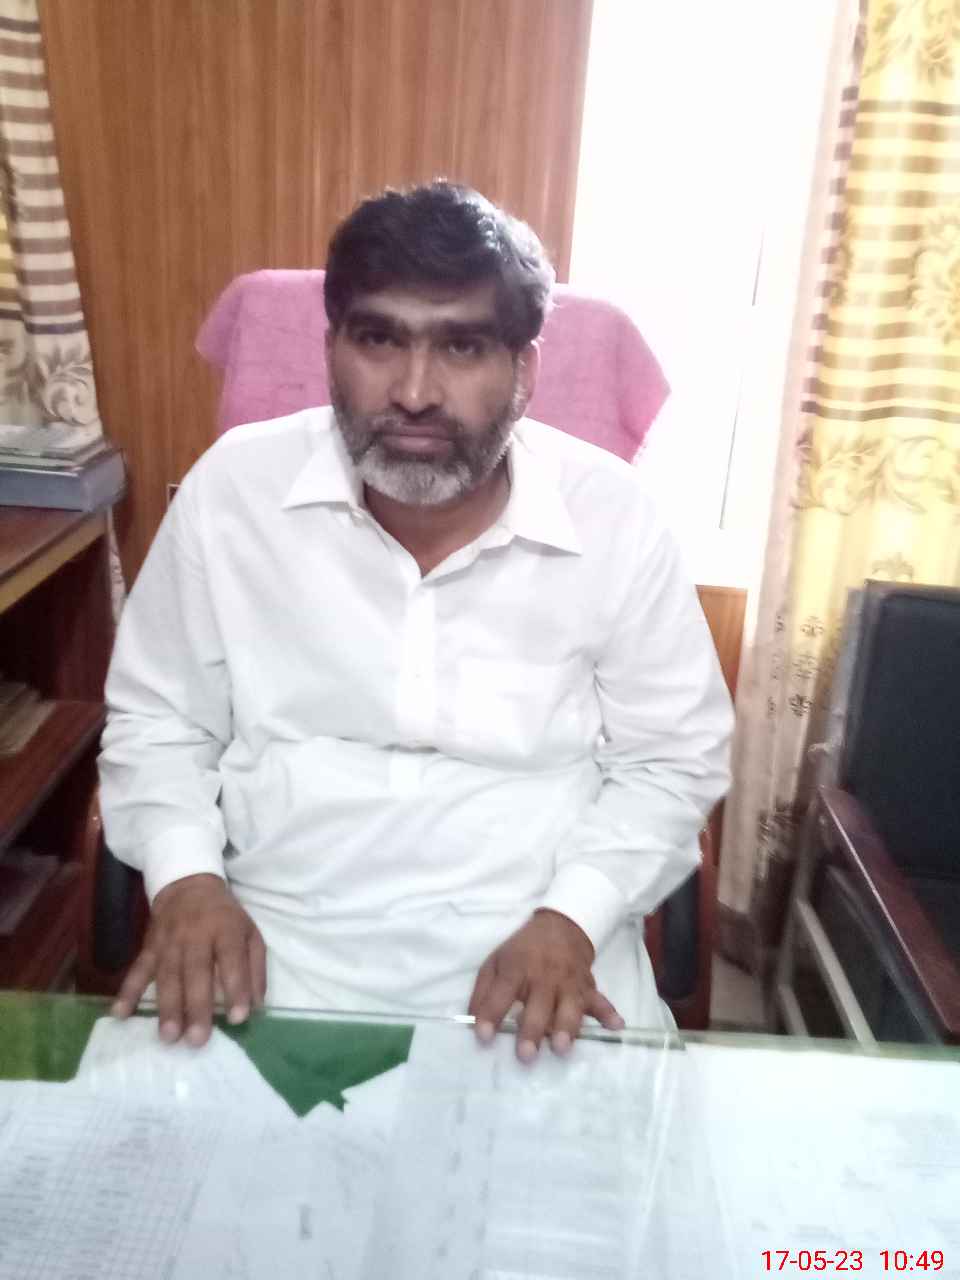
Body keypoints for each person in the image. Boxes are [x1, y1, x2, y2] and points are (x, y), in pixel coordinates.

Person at [99, 181, 732, 1063]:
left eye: (463, 346)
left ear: (526, 370)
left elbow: (672, 758)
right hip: (271, 943)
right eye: (378, 339)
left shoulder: (614, 516)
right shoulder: (232, 492)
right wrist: (186, 883)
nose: (414, 392)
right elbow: (160, 720)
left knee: (596, 1152)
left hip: (545, 950)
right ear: (332, 349)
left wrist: (574, 918)